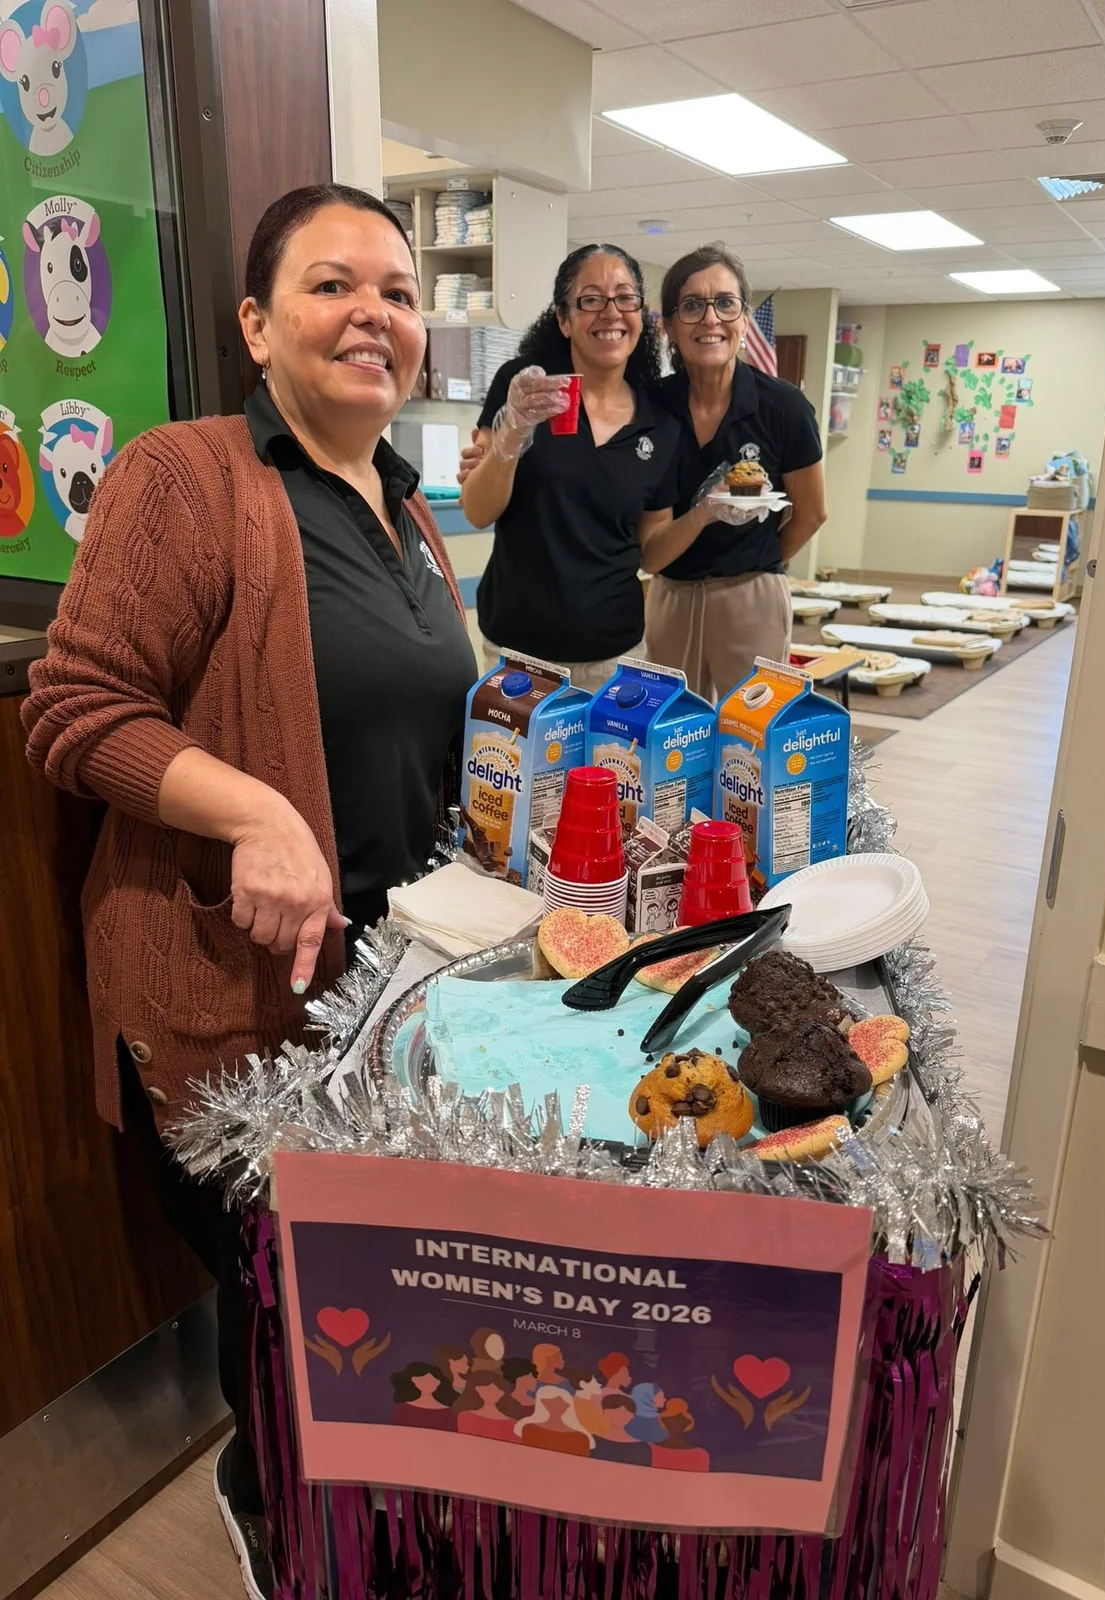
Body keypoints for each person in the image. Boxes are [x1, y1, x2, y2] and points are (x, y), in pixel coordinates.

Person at [22, 183, 475, 1600]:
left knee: (362, 1295)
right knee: (284, 1303)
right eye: (334, 285)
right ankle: (274, 1513)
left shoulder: (415, 515)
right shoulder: (186, 474)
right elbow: (74, 710)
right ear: (256, 323)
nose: (375, 318)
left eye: (398, 293)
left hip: (391, 1002)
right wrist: (255, 808)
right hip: (231, 1005)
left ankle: (353, 1494)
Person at [459, 243, 685, 691]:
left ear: (641, 314)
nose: (610, 312)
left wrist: (709, 512)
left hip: (614, 654)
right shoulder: (525, 386)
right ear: (563, 319)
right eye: (590, 299)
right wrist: (513, 431)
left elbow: (652, 549)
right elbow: (478, 510)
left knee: (613, 764)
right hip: (519, 653)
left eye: (625, 297)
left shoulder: (660, 423)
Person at [643, 243, 828, 702]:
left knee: (749, 743)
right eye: (691, 306)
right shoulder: (651, 408)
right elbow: (648, 543)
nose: (710, 319)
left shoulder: (784, 407)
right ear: (668, 325)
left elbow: (812, 512)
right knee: (670, 739)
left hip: (752, 598)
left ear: (744, 319)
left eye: (725, 303)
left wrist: (758, 564)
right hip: (670, 596)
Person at [514, 1386, 594, 1456]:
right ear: (543, 1403)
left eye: (560, 1402)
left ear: (567, 1406)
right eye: (551, 1401)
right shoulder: (529, 1429)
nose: (556, 1405)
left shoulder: (581, 1438)